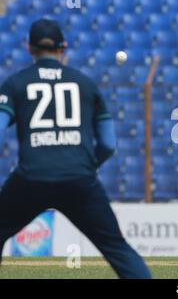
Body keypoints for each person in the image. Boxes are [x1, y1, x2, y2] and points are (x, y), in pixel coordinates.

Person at [0, 18, 151, 279]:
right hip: (80, 179)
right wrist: (86, 167)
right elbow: (108, 144)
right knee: (116, 248)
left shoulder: (15, 83)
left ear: (29, 48)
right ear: (64, 47)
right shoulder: (85, 84)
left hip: (31, 178)